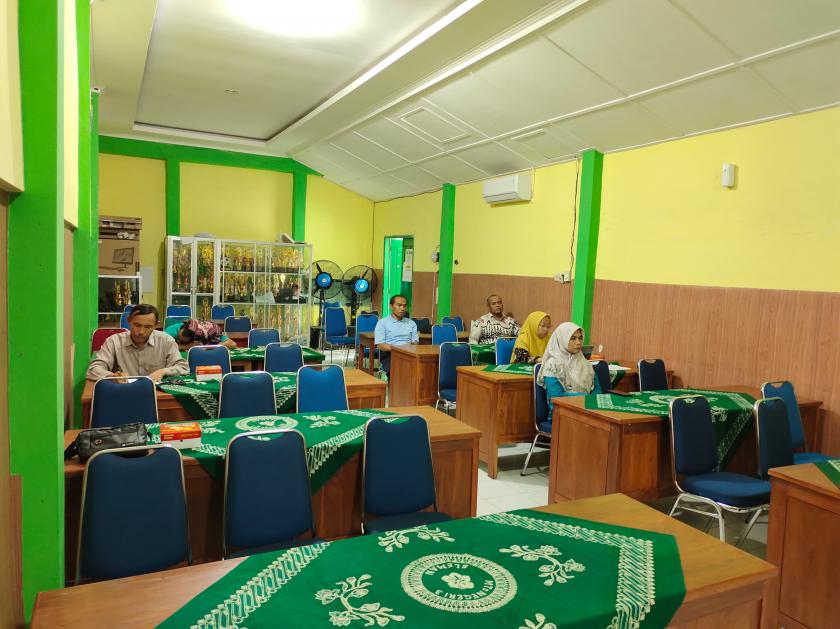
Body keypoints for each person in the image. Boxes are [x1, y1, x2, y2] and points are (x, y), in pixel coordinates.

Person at [87, 304, 189, 382]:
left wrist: (163, 371)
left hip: (155, 394)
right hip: (124, 393)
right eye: (137, 325)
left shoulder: (166, 340)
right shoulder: (114, 341)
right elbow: (93, 370)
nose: (141, 332)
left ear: (155, 326)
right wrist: (112, 376)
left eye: (148, 327)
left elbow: (183, 367)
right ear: (128, 321)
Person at [537, 321, 601, 415]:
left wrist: (592, 402)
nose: (578, 342)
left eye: (580, 338)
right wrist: (587, 398)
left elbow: (597, 389)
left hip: (588, 409)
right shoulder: (552, 365)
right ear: (563, 339)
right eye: (573, 338)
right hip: (563, 412)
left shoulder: (585, 363)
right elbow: (557, 396)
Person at [374, 294, 419, 378]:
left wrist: (408, 348)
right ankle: (394, 390)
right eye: (399, 305)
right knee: (396, 371)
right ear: (391, 306)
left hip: (409, 353)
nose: (402, 308)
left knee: (419, 370)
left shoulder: (411, 323)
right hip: (390, 354)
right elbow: (380, 345)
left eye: (404, 306)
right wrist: (398, 349)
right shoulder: (382, 323)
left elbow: (415, 342)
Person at [165, 318, 237, 350]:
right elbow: (162, 345)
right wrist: (186, 346)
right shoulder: (172, 330)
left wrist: (209, 346)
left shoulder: (207, 330)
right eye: (178, 337)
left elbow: (233, 344)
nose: (178, 340)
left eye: (182, 341)